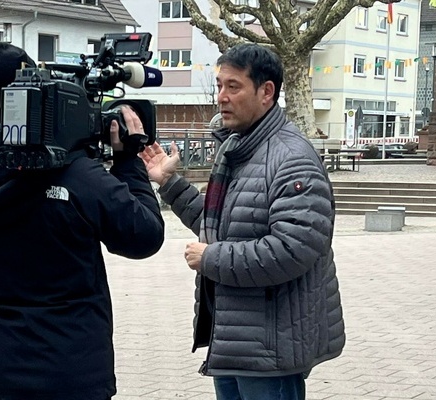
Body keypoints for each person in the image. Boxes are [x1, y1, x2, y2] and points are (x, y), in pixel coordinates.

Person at [0, 42, 164, 400]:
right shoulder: (76, 176)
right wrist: (128, 163)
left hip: (1, 375)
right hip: (74, 377)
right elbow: (144, 236)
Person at [141, 43, 345, 399]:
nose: (221, 96)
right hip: (237, 342)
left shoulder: (292, 159)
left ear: (266, 92)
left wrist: (211, 259)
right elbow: (220, 224)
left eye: (233, 86)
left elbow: (292, 250)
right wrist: (168, 183)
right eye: (219, 85)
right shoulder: (238, 148)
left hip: (270, 348)